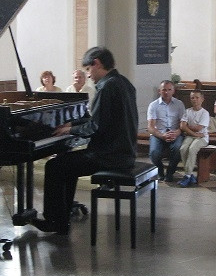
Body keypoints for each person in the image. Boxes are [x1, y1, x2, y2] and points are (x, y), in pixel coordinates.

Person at [33, 47, 137, 234]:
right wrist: (73, 123)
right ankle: (61, 218)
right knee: (66, 165)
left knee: (55, 166)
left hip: (109, 155)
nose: (89, 75)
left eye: (88, 69)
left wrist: (70, 129)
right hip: (125, 151)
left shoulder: (106, 87)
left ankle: (54, 221)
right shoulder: (123, 83)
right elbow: (101, 119)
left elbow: (95, 127)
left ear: (96, 63)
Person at [147, 80, 185, 182]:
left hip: (175, 133)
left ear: (173, 91)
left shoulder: (179, 104)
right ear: (159, 91)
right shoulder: (153, 105)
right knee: (154, 152)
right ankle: (159, 171)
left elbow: (183, 124)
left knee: (178, 148)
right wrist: (161, 135)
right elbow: (150, 126)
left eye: (169, 90)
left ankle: (170, 172)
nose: (166, 92)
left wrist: (177, 132)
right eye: (164, 90)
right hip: (158, 133)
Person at [178, 90, 210, 187]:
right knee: (183, 149)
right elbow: (182, 126)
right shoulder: (188, 111)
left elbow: (199, 128)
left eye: (197, 97)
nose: (194, 99)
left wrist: (187, 127)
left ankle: (187, 175)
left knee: (192, 149)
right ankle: (190, 174)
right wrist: (194, 133)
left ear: (202, 99)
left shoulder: (204, 113)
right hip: (192, 136)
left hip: (202, 138)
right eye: (192, 97)